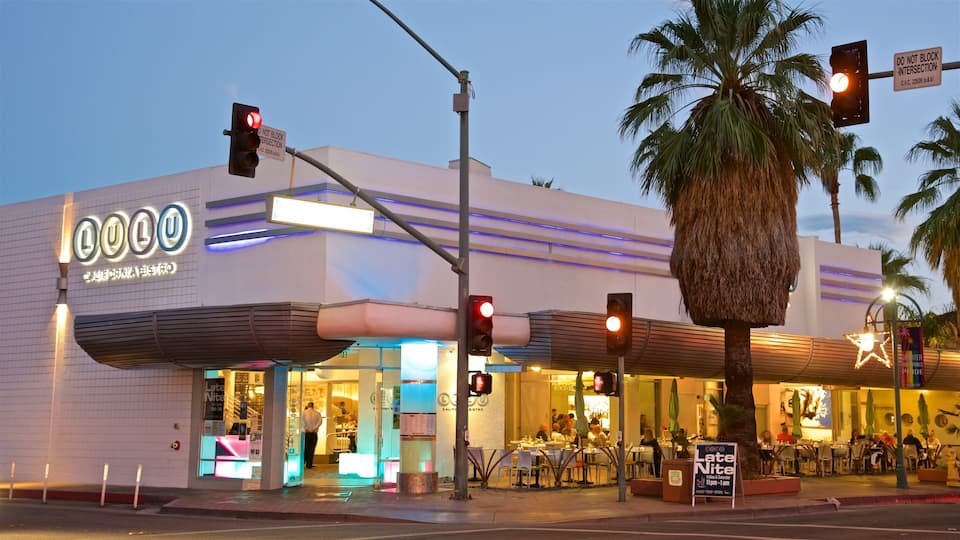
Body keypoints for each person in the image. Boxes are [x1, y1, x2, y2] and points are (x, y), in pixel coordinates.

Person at [302, 401, 322, 469]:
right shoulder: (317, 413)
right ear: (313, 406)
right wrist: (314, 428)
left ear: (308, 405)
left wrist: (306, 428)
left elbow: (301, 421)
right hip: (314, 433)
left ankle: (302, 463)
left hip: (306, 433)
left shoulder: (303, 413)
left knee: (304, 448)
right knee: (311, 448)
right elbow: (320, 422)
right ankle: (309, 464)